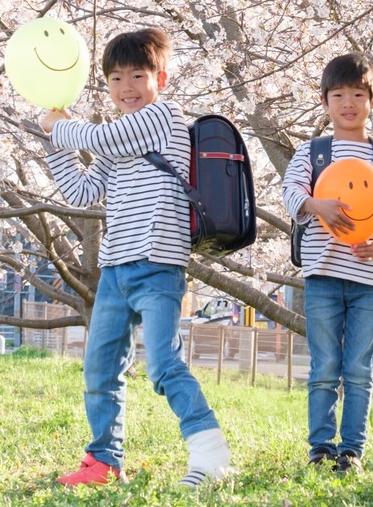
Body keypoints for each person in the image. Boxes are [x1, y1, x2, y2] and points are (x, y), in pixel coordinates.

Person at [37, 26, 231, 489]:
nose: (127, 88)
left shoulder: (162, 118)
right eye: (116, 79)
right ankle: (104, 461)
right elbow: (83, 191)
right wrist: (54, 143)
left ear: (160, 80)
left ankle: (210, 456)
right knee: (100, 370)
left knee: (163, 363)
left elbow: (102, 139)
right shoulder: (120, 140)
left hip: (158, 266)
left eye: (138, 76)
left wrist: (55, 126)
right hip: (116, 270)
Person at [281, 53, 373, 474]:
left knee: (359, 368)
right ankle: (320, 449)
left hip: (369, 280)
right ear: (325, 101)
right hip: (322, 275)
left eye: (358, 94)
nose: (348, 103)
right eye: (338, 94)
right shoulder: (313, 152)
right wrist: (314, 202)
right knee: (324, 367)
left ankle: (352, 451)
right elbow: (290, 192)